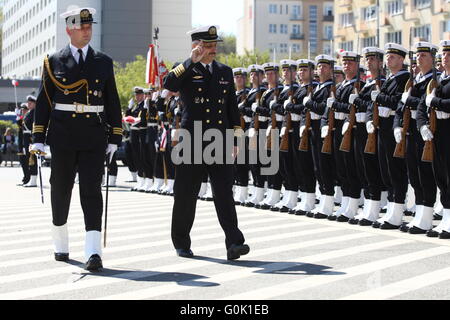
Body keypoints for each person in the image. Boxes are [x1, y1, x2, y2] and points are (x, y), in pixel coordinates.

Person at [30, 7, 122, 271]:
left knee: (92, 190)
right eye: (82, 26)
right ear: (69, 29)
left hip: (93, 135)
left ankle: (93, 252)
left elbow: (112, 101)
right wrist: (38, 137)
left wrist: (115, 135)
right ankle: (60, 243)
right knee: (60, 189)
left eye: (89, 25)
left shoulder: (103, 61)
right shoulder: (53, 61)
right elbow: (44, 101)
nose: (87, 30)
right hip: (63, 136)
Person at [164, 25, 249, 260]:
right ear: (196, 46)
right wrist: (190, 61)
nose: (212, 50)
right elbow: (169, 85)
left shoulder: (224, 71)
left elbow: (232, 108)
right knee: (186, 193)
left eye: (214, 46)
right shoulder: (185, 69)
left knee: (223, 191)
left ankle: (234, 242)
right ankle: (181, 242)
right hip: (193, 139)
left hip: (220, 139)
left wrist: (236, 139)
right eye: (207, 46)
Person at [396, 42, 439, 234]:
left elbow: (424, 103)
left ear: (432, 59)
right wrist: (397, 125)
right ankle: (420, 215)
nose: (419, 59)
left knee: (425, 175)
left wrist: (408, 100)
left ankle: (426, 217)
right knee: (414, 174)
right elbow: (401, 106)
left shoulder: (432, 81)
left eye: (423, 56)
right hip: (411, 132)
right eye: (417, 56)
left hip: (426, 133)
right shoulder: (414, 81)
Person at [369, 43, 410, 229]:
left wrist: (380, 98)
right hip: (383, 129)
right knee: (386, 171)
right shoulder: (388, 80)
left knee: (396, 172)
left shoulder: (405, 79)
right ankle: (392, 210)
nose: (388, 59)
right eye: (387, 56)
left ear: (401, 60)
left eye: (392, 57)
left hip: (394, 129)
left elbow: (398, 101)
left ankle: (397, 212)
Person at [418, 40, 450, 239]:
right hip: (438, 135)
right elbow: (422, 106)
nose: (446, 58)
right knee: (442, 179)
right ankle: (447, 219)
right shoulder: (438, 81)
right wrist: (422, 125)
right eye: (444, 54)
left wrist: (436, 102)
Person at [23, 95, 38, 187]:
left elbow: (35, 127)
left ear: (35, 104)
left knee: (32, 160)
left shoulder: (35, 112)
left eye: (30, 103)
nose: (28, 104)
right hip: (26, 138)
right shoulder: (30, 112)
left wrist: (33, 140)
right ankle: (32, 180)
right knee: (29, 160)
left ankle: (33, 181)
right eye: (28, 103)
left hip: (30, 139)